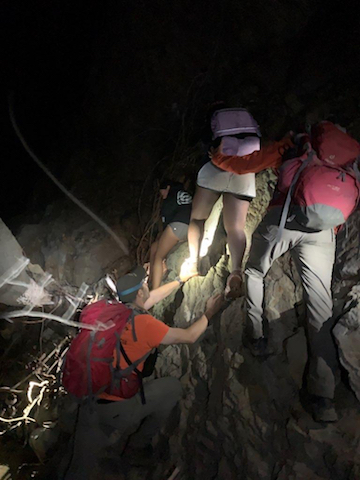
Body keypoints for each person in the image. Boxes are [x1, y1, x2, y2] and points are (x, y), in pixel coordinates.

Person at [210, 122, 360, 422]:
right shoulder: (349, 158)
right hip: (323, 230)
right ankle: (323, 397)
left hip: (284, 218)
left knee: (254, 272)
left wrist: (217, 158)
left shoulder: (298, 145)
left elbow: (247, 165)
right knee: (320, 306)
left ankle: (257, 336)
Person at [63, 266, 224, 478]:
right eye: (145, 284)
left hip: (89, 398)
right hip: (118, 407)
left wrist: (179, 279)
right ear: (140, 292)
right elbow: (189, 336)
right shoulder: (145, 324)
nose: (147, 287)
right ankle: (138, 446)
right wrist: (209, 312)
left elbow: (149, 299)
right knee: (172, 388)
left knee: (78, 470)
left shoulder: (112, 311)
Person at [186, 105, 262, 299]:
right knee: (236, 228)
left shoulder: (212, 117)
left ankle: (194, 263)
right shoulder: (248, 119)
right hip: (243, 172)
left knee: (197, 218)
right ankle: (236, 271)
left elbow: (202, 143)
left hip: (216, 168)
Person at [149, 180, 192, 289]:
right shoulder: (183, 194)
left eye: (162, 191)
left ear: (168, 187)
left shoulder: (171, 198)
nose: (162, 194)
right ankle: (150, 279)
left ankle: (155, 290)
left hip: (177, 225)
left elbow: (166, 219)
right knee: (154, 246)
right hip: (189, 228)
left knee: (159, 257)